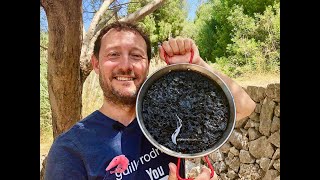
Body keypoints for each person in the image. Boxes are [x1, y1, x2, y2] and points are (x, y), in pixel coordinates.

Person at [44, 21, 256, 180]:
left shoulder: (172, 119)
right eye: (113, 55)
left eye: (136, 56)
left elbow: (245, 106)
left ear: (147, 65)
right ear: (96, 64)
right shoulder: (71, 149)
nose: (125, 65)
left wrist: (197, 64)